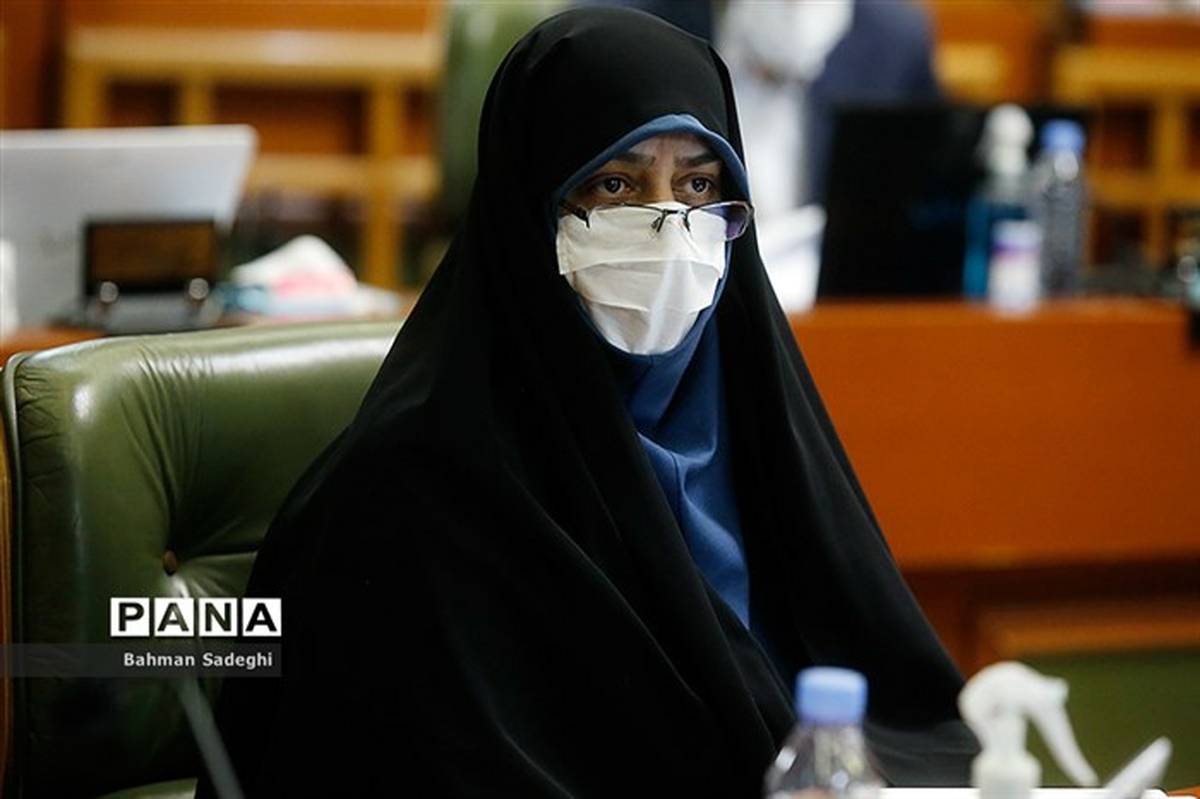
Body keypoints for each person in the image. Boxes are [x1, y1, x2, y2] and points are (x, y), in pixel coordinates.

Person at [201, 8, 977, 796]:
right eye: (616, 185)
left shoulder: (760, 437)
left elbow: (904, 724)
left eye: (699, 184)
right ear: (529, 207)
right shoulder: (416, 488)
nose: (668, 227)